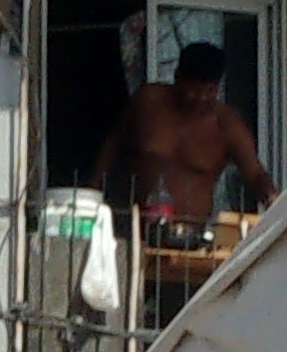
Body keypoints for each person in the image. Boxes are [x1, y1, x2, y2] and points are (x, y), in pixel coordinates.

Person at [100, 39, 269, 227]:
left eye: (210, 90)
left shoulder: (227, 125)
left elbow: (255, 174)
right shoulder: (149, 101)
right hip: (131, 227)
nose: (201, 97)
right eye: (195, 89)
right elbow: (113, 144)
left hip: (189, 238)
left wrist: (273, 200)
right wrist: (92, 193)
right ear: (177, 78)